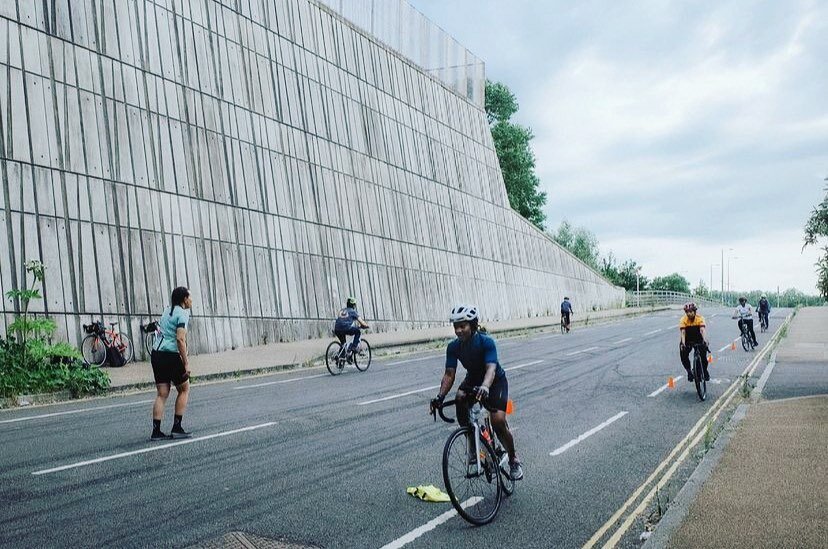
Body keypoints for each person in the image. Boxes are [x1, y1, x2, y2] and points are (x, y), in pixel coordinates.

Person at [429, 304, 524, 481]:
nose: (458, 330)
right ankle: (472, 441)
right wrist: (439, 397)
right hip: (473, 378)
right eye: (455, 326)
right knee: (460, 397)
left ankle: (513, 459)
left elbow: (491, 369)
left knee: (498, 421)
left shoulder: (486, 342)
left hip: (494, 381)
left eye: (462, 326)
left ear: (472, 325)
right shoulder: (453, 347)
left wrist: (486, 387)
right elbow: (449, 374)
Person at [150, 286, 193, 441]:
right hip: (170, 355)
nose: (191, 300)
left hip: (156, 354)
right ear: (184, 299)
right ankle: (177, 427)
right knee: (184, 389)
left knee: (162, 393)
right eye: (190, 297)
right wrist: (186, 363)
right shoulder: (183, 314)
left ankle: (156, 431)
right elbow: (180, 339)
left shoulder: (166, 311)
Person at [678, 302, 710, 382]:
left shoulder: (700, 318)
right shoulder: (683, 319)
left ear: (695, 311)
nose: (689, 313)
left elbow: (702, 330)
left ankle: (705, 371)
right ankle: (689, 371)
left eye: (691, 311)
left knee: (703, 357)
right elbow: (683, 332)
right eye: (687, 312)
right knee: (683, 354)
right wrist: (683, 343)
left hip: (698, 338)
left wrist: (705, 340)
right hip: (688, 338)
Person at [334, 297, 369, 361]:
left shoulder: (341, 310)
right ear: (354, 305)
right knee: (357, 331)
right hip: (346, 328)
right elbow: (361, 322)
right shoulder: (353, 311)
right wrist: (366, 325)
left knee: (343, 343)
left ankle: (340, 359)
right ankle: (354, 347)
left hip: (337, 328)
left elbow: (342, 319)